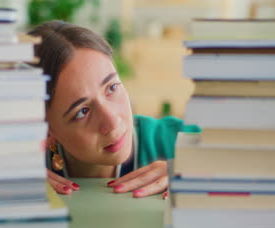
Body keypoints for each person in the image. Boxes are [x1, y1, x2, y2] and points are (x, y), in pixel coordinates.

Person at [28, 21, 200, 198]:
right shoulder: (19, 165)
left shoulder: (173, 140)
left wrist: (200, 171)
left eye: (111, 88)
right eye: (82, 111)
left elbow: (230, 157)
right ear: (46, 130)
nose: (112, 121)